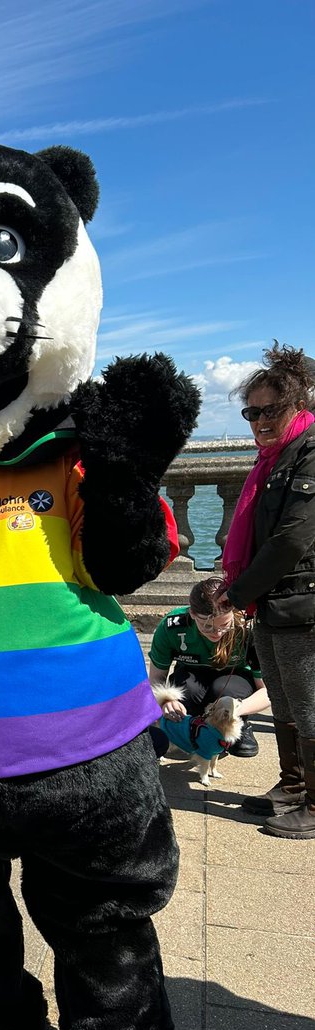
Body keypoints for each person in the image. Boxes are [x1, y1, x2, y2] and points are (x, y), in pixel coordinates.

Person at [220, 343, 315, 839]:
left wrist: (237, 593)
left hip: (304, 601)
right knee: (284, 701)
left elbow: (292, 539)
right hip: (276, 602)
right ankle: (294, 786)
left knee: (309, 704)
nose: (259, 421)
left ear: (299, 405)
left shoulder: (310, 453)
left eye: (269, 410)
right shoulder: (273, 459)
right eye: (251, 412)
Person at [147, 576, 268, 758]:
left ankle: (239, 726)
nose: (217, 633)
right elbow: (156, 678)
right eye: (207, 627)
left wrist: (235, 709)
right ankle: (195, 726)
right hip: (192, 675)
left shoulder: (248, 629)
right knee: (187, 690)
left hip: (234, 679)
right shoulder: (172, 627)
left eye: (224, 625)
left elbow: (268, 691)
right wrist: (165, 701)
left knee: (225, 691)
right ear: (192, 614)